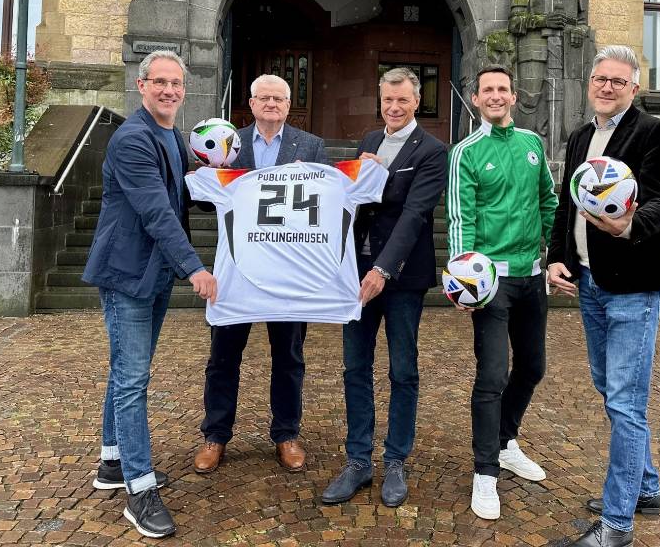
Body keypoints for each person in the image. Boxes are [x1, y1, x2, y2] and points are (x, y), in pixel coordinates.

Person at [546, 45, 660, 547]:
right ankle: (644, 488)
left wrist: (628, 225)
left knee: (625, 402)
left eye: (617, 82)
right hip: (589, 281)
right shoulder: (581, 135)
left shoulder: (653, 132)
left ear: (633, 88)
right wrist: (557, 256)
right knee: (611, 391)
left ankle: (617, 525)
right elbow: (567, 204)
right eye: (600, 79)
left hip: (634, 286)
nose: (606, 87)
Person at [83, 50, 217, 540]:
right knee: (133, 379)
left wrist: (232, 183)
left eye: (176, 83)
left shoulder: (172, 135)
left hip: (152, 274)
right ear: (141, 86)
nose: (169, 90)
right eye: (159, 82)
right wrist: (195, 267)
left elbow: (184, 195)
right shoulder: (132, 139)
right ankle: (140, 491)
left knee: (125, 371)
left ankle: (112, 463)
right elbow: (157, 212)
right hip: (127, 273)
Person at [320, 67, 447, 508]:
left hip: (401, 277)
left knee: (402, 369)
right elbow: (356, 201)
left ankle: (395, 459)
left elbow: (414, 213)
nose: (393, 108)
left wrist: (383, 270)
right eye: (387, 101)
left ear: (416, 102)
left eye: (402, 101)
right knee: (354, 367)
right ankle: (358, 460)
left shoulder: (432, 150)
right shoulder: (369, 142)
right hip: (356, 274)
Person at [193, 74, 328, 475]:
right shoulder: (226, 143)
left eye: (279, 98)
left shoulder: (311, 146)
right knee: (222, 357)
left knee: (288, 357)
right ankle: (215, 436)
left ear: (289, 106)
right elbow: (205, 205)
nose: (271, 104)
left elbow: (322, 209)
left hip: (288, 272)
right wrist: (211, 171)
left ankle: (286, 434)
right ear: (250, 104)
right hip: (236, 270)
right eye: (264, 97)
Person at [446, 64, 557, 521]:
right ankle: (485, 472)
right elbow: (460, 217)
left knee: (532, 367)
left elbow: (548, 200)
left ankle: (506, 440)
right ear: (475, 99)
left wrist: (553, 252)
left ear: (513, 96)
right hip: (490, 282)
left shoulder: (532, 143)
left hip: (533, 277)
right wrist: (461, 277)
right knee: (493, 375)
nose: (496, 96)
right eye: (487, 90)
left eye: (503, 90)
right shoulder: (466, 152)